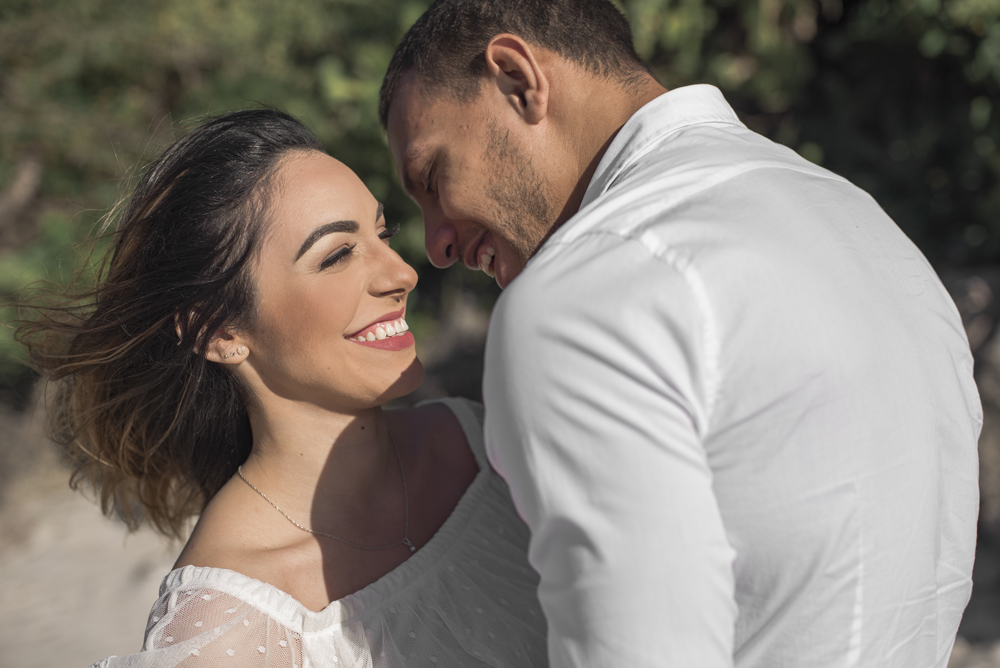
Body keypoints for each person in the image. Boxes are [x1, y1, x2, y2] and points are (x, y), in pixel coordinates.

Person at [379, 1, 983, 666]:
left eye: (434, 178)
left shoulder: (585, 298)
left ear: (518, 80)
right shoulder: (864, 226)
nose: (435, 246)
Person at [17, 109, 547, 667]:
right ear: (220, 332)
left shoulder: (484, 441)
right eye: (337, 254)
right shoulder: (227, 630)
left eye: (382, 233)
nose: (402, 273)